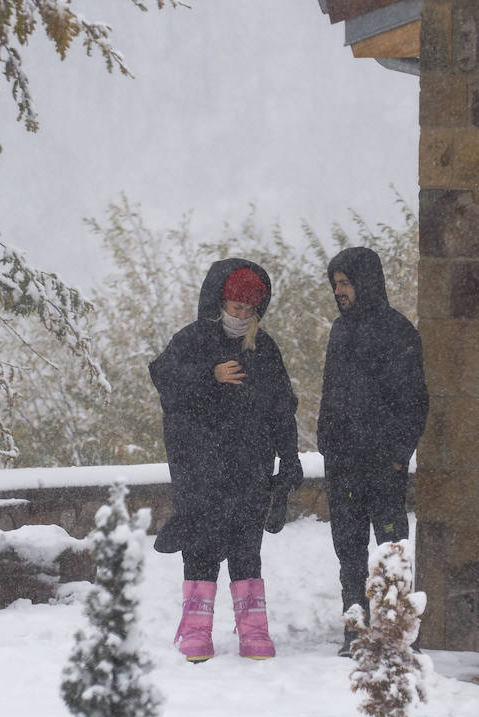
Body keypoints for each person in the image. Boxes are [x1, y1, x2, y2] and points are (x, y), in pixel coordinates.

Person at [150, 259, 303, 662]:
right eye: (234, 306)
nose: (239, 315)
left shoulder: (264, 348)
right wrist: (208, 375)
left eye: (247, 309)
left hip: (249, 468)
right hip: (201, 471)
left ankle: (254, 631)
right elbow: (165, 381)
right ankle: (196, 633)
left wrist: (288, 460)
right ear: (219, 301)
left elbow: (282, 409)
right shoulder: (191, 341)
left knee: (246, 548)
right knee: (200, 546)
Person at [318, 246, 429, 657]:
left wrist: (398, 453)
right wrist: (327, 443)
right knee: (348, 549)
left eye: (345, 283)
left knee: (390, 549)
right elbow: (332, 395)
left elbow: (415, 401)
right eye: (335, 284)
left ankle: (394, 627)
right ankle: (356, 628)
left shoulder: (398, 332)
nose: (339, 291)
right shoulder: (340, 330)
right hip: (344, 462)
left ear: (365, 282)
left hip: (383, 462)